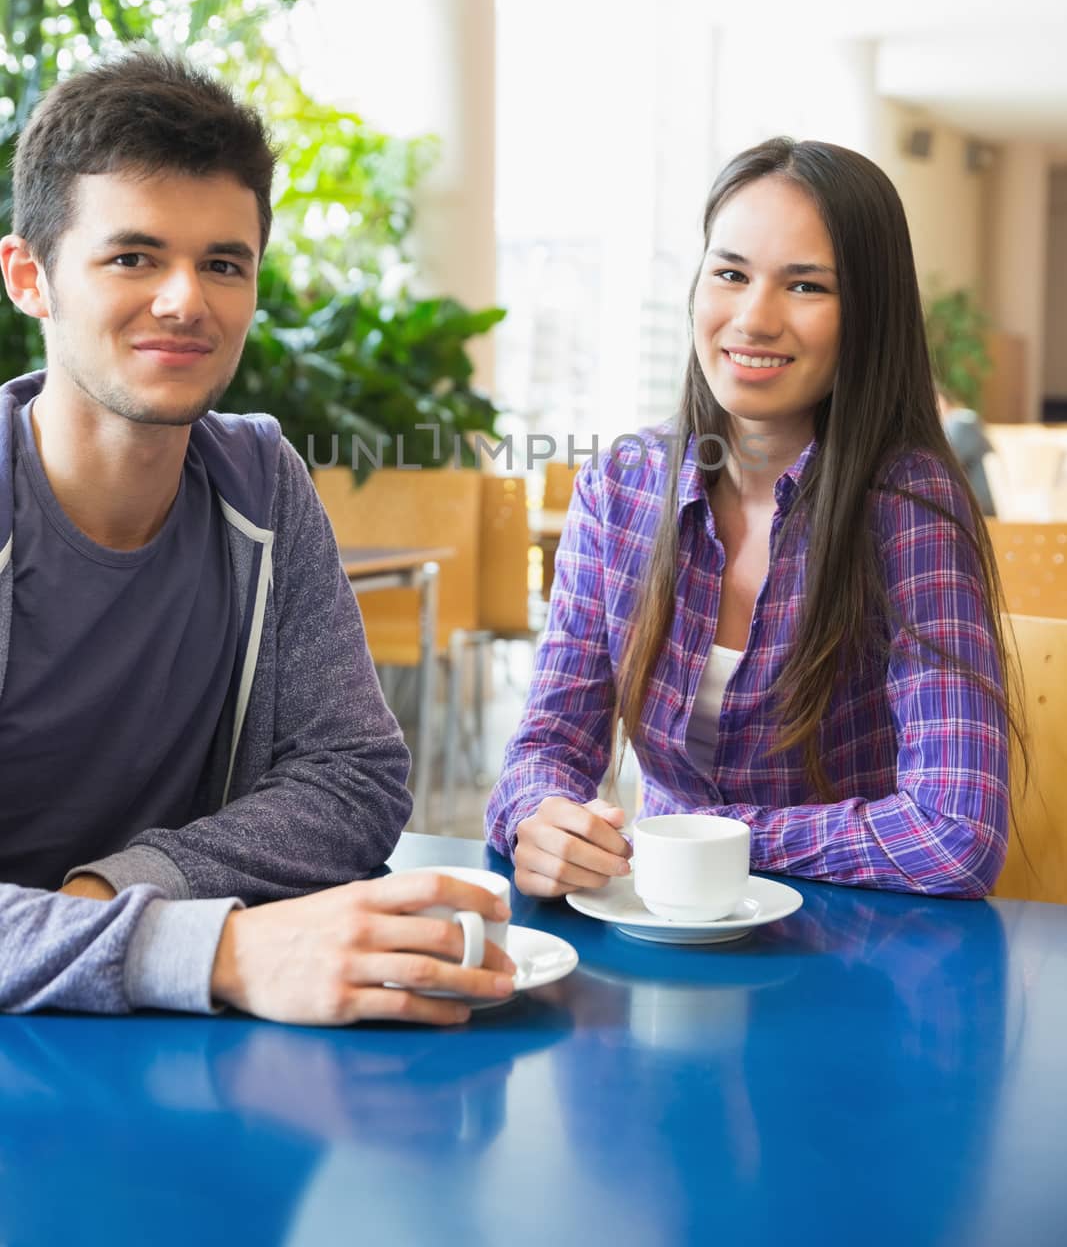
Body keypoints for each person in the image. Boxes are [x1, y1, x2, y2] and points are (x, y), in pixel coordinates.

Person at [0, 51, 513, 1024]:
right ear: (30, 277)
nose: (186, 299)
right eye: (133, 256)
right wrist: (216, 948)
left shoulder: (262, 483)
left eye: (223, 263)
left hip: (184, 1052)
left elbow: (354, 778)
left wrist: (108, 898)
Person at [487, 137, 1022, 900]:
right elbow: (546, 746)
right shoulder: (621, 486)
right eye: (730, 274)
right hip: (659, 917)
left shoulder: (908, 507)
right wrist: (538, 817)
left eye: (805, 287)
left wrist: (713, 840)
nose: (753, 317)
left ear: (867, 314)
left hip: (849, 943)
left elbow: (954, 835)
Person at [935, 381, 996, 516]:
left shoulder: (961, 421)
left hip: (983, 509)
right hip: (977, 507)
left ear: (941, 401)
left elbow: (939, 465)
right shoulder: (963, 421)